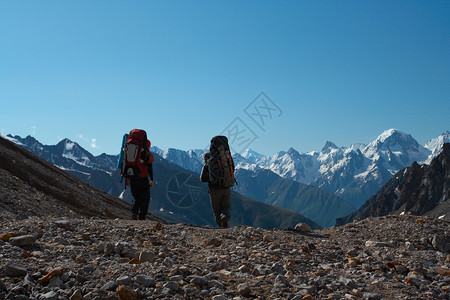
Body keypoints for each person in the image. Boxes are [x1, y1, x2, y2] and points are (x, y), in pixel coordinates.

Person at [200, 151, 231, 228]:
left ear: (207, 158)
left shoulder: (207, 165)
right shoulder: (223, 163)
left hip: (214, 190)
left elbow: (202, 178)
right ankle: (225, 217)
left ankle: (221, 226)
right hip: (226, 188)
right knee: (226, 206)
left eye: (204, 158)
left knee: (216, 209)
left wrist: (210, 179)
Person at [127, 139, 154, 220]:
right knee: (145, 198)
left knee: (136, 197)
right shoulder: (146, 154)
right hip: (143, 178)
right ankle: (142, 217)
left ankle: (134, 213)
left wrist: (127, 178)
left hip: (132, 176)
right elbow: (150, 168)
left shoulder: (131, 153)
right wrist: (152, 180)